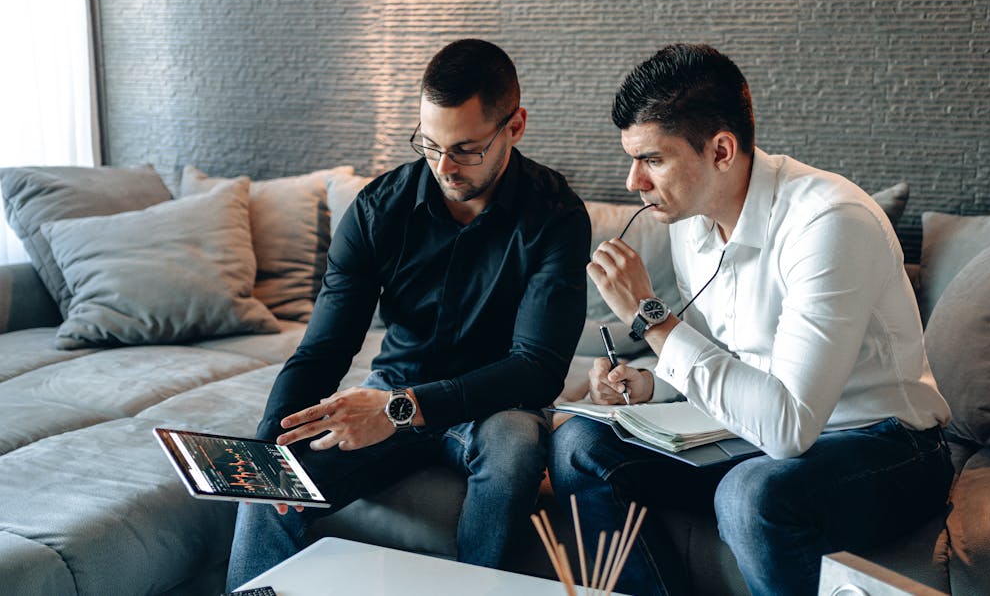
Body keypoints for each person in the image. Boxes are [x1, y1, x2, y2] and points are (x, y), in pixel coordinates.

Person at [549, 43, 953, 596]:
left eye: (652, 159)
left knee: (749, 495)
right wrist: (650, 381)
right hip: (757, 437)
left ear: (721, 150)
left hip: (886, 445)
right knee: (579, 447)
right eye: (633, 159)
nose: (632, 182)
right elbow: (725, 353)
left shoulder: (828, 223)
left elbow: (788, 426)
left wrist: (652, 317)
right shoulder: (689, 223)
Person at [226, 39, 590, 589]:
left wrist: (402, 408)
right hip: (394, 385)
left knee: (515, 449)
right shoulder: (377, 211)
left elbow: (537, 367)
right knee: (270, 486)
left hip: (498, 402)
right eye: (430, 143)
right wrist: (272, 446)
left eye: (467, 149)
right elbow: (324, 350)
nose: (444, 167)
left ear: (514, 126)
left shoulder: (556, 216)